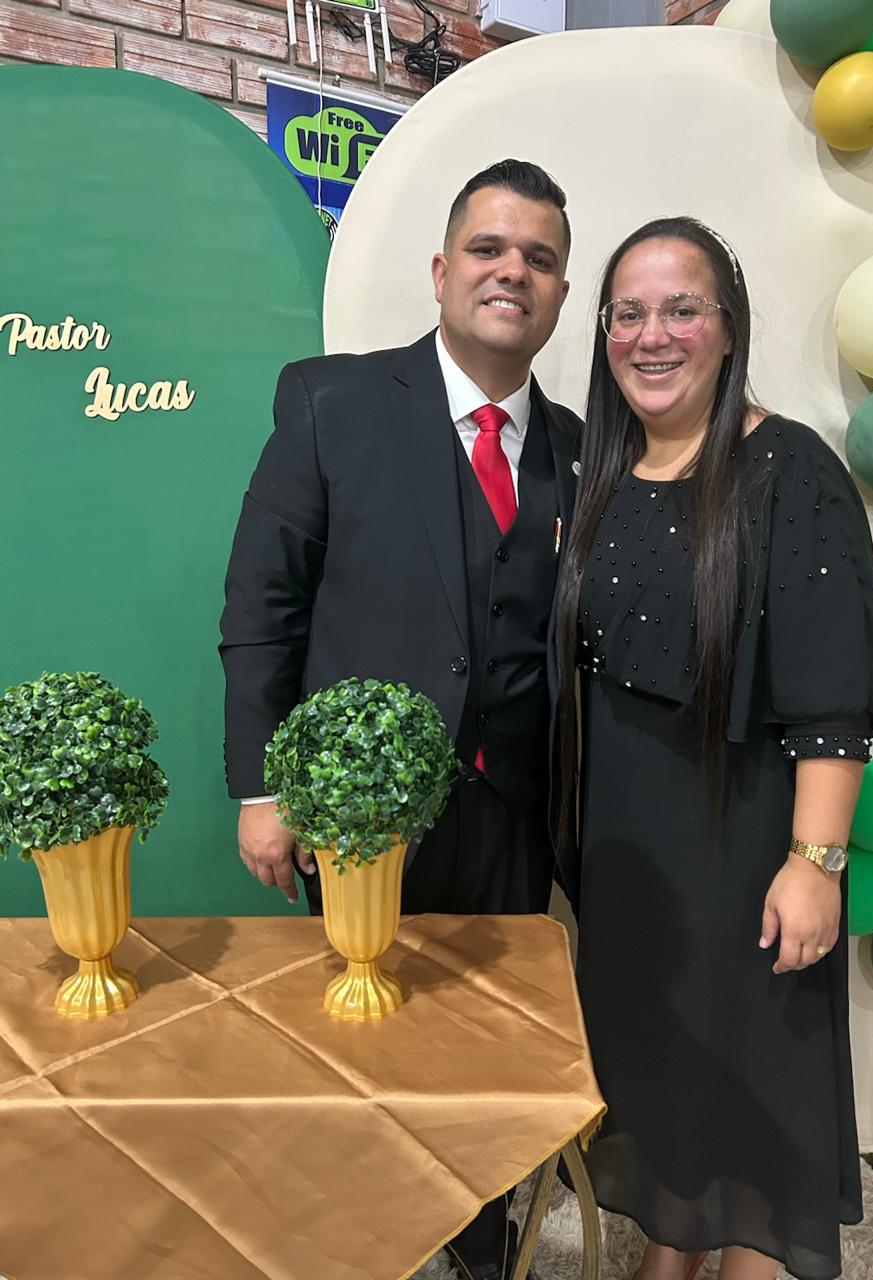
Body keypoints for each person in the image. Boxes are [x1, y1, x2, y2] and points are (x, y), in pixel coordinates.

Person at [219, 159, 580, 1280]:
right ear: (440, 269)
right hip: (358, 819)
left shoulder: (580, 447)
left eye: (539, 258)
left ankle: (475, 1241)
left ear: (561, 294)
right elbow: (263, 604)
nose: (512, 271)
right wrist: (263, 788)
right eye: (489, 248)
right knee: (362, 1046)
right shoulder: (329, 403)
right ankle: (357, 1241)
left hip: (513, 818)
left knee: (484, 1054)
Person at [552, 217, 873, 1280]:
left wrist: (816, 863)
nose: (652, 335)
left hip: (744, 841)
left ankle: (744, 1261)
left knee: (747, 1082)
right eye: (628, 313)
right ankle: (671, 1251)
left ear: (729, 325)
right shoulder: (604, 468)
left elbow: (832, 696)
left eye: (681, 308)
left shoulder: (788, 469)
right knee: (664, 1069)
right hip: (631, 852)